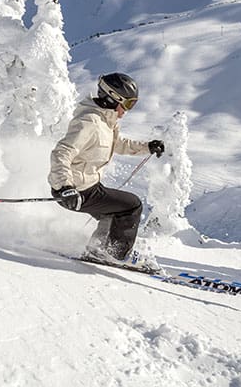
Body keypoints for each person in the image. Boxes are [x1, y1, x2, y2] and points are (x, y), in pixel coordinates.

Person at [48, 72, 164, 263]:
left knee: (114, 212)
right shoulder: (89, 122)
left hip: (89, 186)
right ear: (113, 98)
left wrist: (146, 147)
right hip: (75, 192)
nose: (127, 110)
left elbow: (118, 144)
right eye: (127, 104)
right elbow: (61, 152)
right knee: (131, 206)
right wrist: (65, 187)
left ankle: (98, 248)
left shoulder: (105, 122)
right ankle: (115, 253)